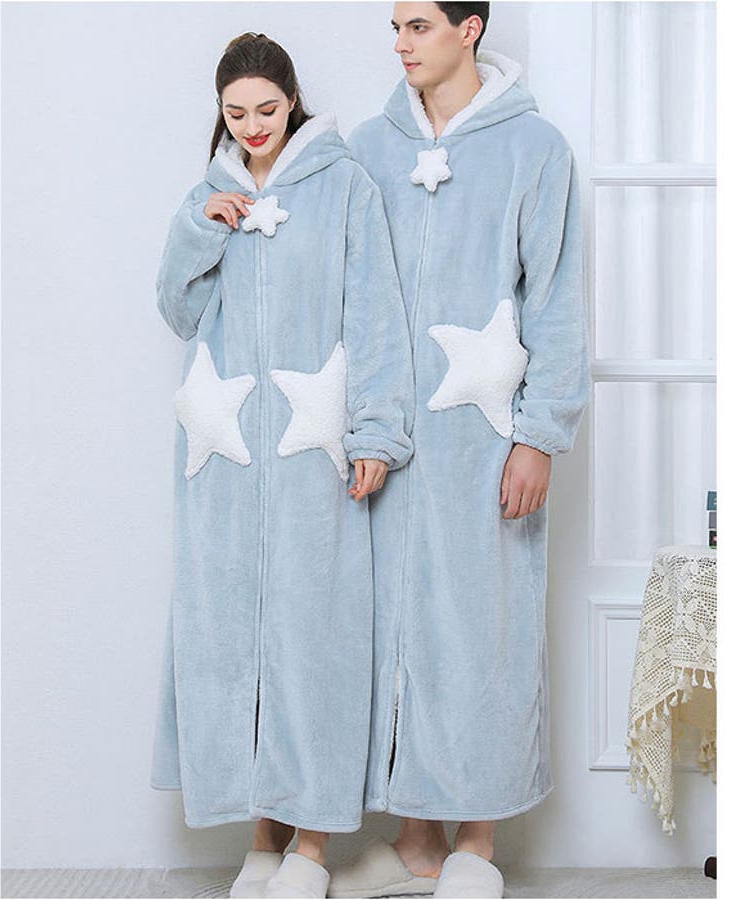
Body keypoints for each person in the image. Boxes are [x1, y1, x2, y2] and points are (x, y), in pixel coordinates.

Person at [329, 4, 591, 898]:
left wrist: (539, 436)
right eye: (395, 27)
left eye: (419, 26)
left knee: (486, 629)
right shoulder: (368, 148)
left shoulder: (535, 150)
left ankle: (478, 840)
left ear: (470, 28)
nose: (401, 43)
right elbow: (341, 283)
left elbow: (555, 299)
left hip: (487, 435)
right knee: (391, 628)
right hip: (384, 434)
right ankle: (415, 839)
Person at [148, 33, 415, 899]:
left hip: (315, 451)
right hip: (222, 456)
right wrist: (201, 230)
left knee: (315, 639)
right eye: (236, 113)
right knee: (234, 640)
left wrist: (376, 434)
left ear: (293, 102)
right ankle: (261, 837)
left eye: (267, 109)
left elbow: (376, 314)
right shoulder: (209, 195)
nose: (253, 126)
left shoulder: (344, 187)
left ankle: (312, 845)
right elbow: (178, 311)